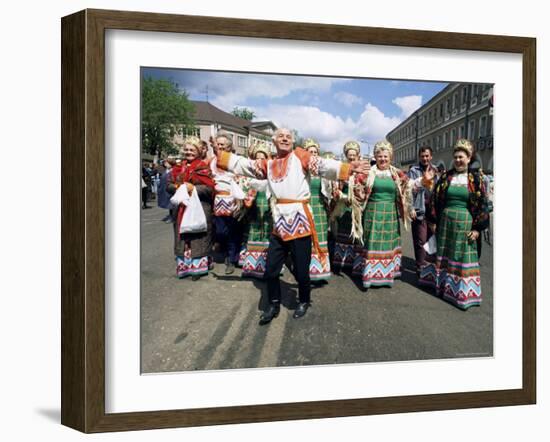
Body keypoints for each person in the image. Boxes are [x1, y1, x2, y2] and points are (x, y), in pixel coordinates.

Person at [215, 128, 370, 323]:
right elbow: (245, 165)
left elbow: (321, 165)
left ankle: (304, 300)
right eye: (281, 136)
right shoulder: (269, 164)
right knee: (271, 270)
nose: (285, 138)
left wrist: (347, 168)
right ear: (274, 141)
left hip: (300, 221)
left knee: (302, 269)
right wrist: (221, 155)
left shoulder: (300, 155)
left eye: (289, 136)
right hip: (279, 223)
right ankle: (273, 304)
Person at [419, 138, 490, 309]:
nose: (458, 160)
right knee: (444, 254)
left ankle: (461, 293)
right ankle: (443, 287)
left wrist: (477, 229)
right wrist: (434, 221)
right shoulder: (446, 177)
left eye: (461, 157)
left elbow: (483, 205)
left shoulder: (476, 179)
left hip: (465, 224)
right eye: (456, 157)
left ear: (469, 158)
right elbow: (435, 199)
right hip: (445, 224)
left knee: (461, 256)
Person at [351, 140, 413, 288]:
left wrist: (422, 182)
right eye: (380, 156)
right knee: (372, 242)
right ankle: (370, 276)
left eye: (386, 156)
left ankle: (386, 274)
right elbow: (356, 189)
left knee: (388, 243)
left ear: (390, 157)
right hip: (372, 214)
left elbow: (408, 187)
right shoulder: (368, 173)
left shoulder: (396, 173)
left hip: (390, 215)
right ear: (375, 157)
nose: (383, 159)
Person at [167, 137, 215, 281]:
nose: (189, 152)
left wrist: (193, 188)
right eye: (187, 150)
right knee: (183, 237)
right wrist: (178, 187)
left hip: (199, 207)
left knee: (197, 236)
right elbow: (168, 185)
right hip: (181, 208)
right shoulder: (177, 168)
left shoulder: (203, 167)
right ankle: (185, 267)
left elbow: (209, 189)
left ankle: (198, 268)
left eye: (192, 150)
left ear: (199, 151)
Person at [210, 132, 245, 275]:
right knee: (220, 231)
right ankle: (227, 251)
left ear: (229, 147)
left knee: (232, 232)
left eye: (222, 144)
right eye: (217, 144)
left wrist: (240, 200)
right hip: (217, 201)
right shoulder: (211, 161)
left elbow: (242, 180)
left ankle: (231, 259)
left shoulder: (235, 161)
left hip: (232, 200)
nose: (219, 146)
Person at [239, 142, 272, 278]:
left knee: (267, 232)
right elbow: (244, 188)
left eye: (262, 157)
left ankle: (267, 266)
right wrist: (246, 197)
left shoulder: (271, 172)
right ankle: (252, 266)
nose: (260, 160)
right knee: (253, 231)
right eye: (257, 157)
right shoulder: (249, 173)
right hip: (254, 207)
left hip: (268, 206)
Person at [330, 141, 362, 272]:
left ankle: (356, 263)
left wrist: (359, 196)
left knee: (356, 234)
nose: (352, 157)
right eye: (350, 155)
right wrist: (344, 197)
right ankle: (341, 262)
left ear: (358, 155)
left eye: (354, 155)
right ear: (346, 156)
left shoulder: (363, 170)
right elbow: (335, 189)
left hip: (357, 207)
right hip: (343, 207)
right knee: (343, 233)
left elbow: (367, 188)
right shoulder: (341, 170)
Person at [303, 138, 332, 283]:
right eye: (310, 152)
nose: (313, 154)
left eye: (315, 152)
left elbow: (328, 191)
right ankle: (305, 270)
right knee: (305, 239)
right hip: (305, 206)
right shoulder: (301, 169)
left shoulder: (322, 171)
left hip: (319, 208)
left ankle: (320, 270)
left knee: (320, 239)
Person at [407, 146, 437, 276]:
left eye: (427, 156)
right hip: (419, 209)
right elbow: (408, 191)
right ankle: (420, 267)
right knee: (420, 239)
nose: (425, 158)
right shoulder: (413, 171)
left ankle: (430, 267)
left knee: (432, 239)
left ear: (431, 157)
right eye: (422, 156)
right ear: (419, 157)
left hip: (433, 211)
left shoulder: (435, 170)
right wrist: (410, 207)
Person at [157, 158, 174, 222]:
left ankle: (172, 217)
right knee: (168, 203)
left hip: (171, 189)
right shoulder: (166, 170)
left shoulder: (173, 171)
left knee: (171, 203)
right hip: (164, 188)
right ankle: (171, 216)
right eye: (165, 163)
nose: (165, 164)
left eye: (166, 163)